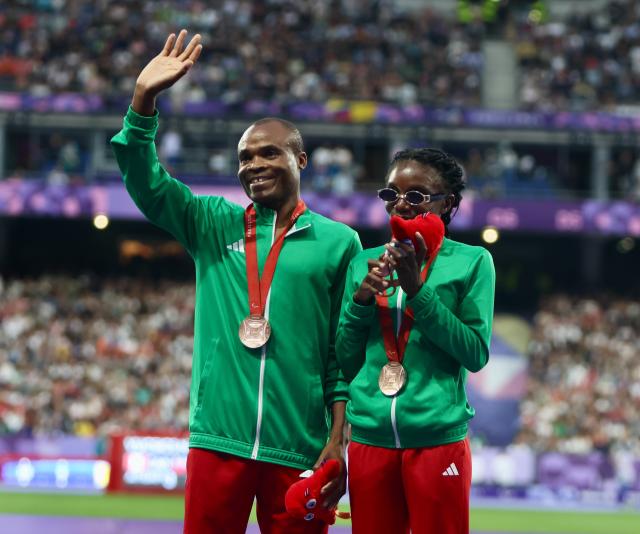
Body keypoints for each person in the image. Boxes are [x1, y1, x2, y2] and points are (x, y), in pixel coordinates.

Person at [111, 30, 362, 533]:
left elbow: (343, 354)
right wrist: (143, 104)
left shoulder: (339, 243)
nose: (254, 166)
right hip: (217, 440)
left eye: (269, 153)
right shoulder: (212, 223)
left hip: (299, 443)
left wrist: (339, 438)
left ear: (301, 160)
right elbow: (147, 184)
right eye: (245, 158)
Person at [336, 148, 495, 534]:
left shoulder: (472, 262)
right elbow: (346, 359)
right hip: (369, 442)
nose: (401, 205)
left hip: (437, 442)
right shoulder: (363, 263)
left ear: (448, 203)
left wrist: (417, 292)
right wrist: (360, 302)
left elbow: (474, 354)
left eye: (417, 196)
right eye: (391, 195)